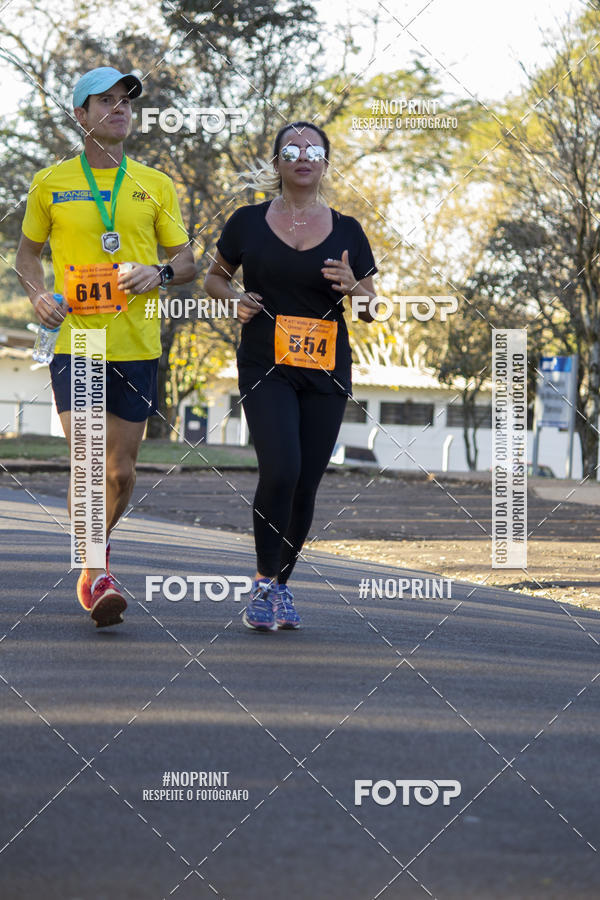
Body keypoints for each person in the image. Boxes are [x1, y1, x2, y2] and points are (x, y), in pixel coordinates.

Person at [16, 66, 196, 627]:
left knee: (120, 472)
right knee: (89, 463)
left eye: (126, 101)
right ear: (81, 115)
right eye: (106, 101)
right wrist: (37, 297)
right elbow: (25, 258)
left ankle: (99, 554)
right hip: (79, 340)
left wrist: (157, 273)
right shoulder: (51, 183)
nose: (120, 108)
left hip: (137, 343)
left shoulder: (156, 184)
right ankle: (95, 572)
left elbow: (189, 262)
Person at [204, 121, 377, 631]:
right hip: (266, 364)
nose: (303, 157)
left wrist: (355, 290)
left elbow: (370, 308)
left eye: (314, 150)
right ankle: (261, 583)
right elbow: (215, 277)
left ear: (326, 163)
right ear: (277, 162)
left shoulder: (349, 230)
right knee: (280, 469)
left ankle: (280, 586)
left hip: (325, 370)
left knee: (305, 483)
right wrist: (237, 298)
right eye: (292, 149)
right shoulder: (247, 222)